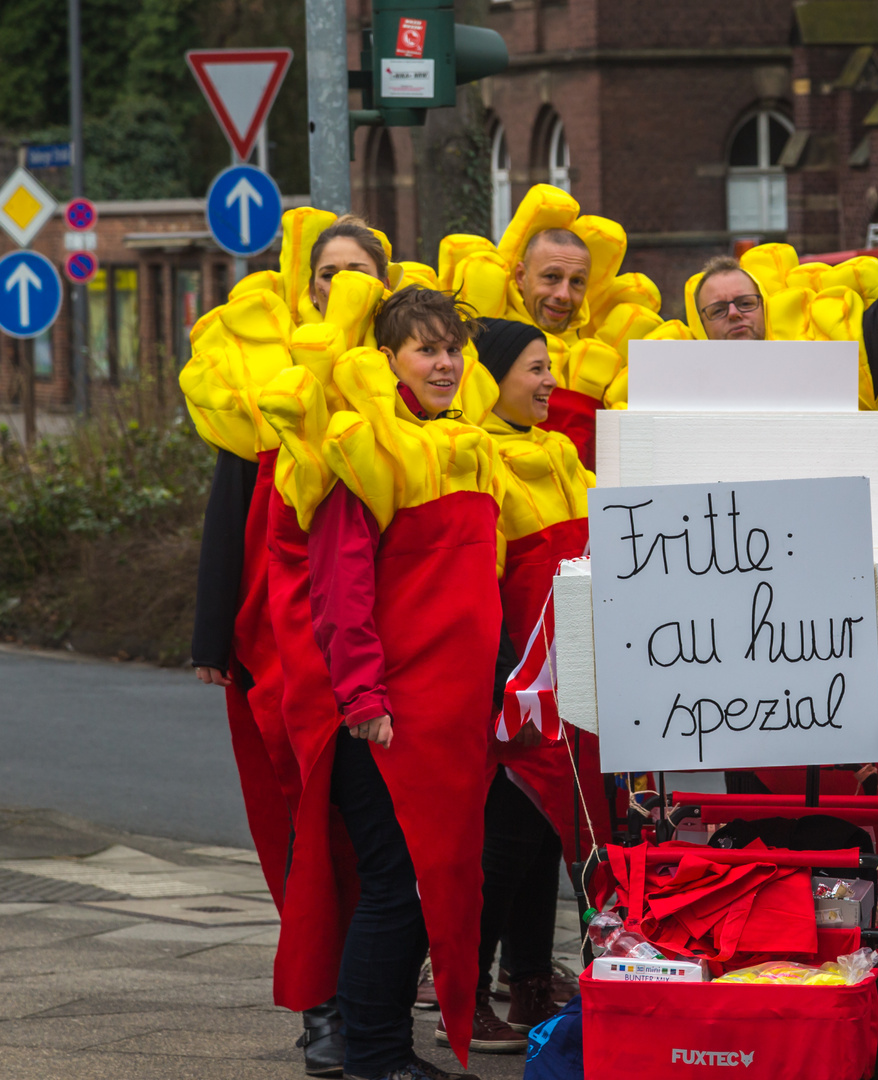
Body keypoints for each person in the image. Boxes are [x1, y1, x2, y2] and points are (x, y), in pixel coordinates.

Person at [263, 285, 506, 1080]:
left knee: (426, 881)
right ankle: (372, 1054)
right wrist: (364, 699)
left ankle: (388, 1049)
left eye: (451, 349)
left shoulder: (461, 443)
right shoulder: (358, 449)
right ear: (388, 359)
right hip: (387, 715)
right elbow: (340, 589)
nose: (443, 362)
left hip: (444, 716)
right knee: (398, 884)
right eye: (425, 348)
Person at [182, 212, 400, 1078]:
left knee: (382, 843)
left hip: (385, 654)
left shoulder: (406, 378)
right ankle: (325, 1008)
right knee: (306, 831)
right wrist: (212, 632)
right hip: (280, 648)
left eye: (356, 271)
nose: (338, 286)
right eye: (326, 272)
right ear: (304, 285)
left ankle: (369, 1000)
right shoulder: (272, 386)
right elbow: (229, 507)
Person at [430, 318, 608, 1055]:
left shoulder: (559, 452)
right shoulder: (480, 460)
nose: (548, 383)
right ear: (494, 375)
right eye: (535, 369)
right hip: (520, 690)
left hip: (573, 685)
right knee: (503, 848)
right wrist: (512, 686)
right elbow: (480, 586)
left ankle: (531, 979)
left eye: (552, 368)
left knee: (540, 842)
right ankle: (460, 998)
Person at [650, 141, 878, 414]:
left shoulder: (838, 361)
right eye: (717, 309)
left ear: (764, 307)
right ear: (700, 327)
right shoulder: (675, 392)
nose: (733, 314)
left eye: (745, 303)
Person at [449, 185, 664, 467]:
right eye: (551, 277)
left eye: (576, 282)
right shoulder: (480, 338)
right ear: (521, 275)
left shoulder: (606, 353)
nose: (563, 294)